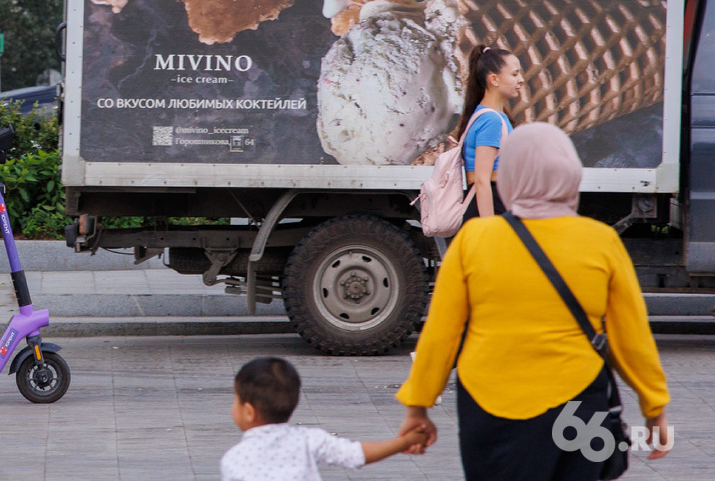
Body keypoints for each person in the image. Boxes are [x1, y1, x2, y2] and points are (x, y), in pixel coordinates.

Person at [396, 123, 672, 480]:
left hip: (488, 408)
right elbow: (630, 337)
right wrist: (655, 407)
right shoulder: (600, 242)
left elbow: (442, 334)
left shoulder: (474, 241)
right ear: (571, 175)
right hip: (578, 407)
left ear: (509, 178)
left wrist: (418, 406)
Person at [222, 357, 428, 481]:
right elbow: (356, 454)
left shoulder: (234, 459)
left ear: (249, 412)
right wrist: (404, 442)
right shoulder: (308, 439)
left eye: (235, 399)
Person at [456, 45, 521, 222]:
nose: (521, 80)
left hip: (494, 202)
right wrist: (488, 229)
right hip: (490, 204)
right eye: (514, 74)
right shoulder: (491, 120)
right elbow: (482, 180)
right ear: (494, 79)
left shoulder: (492, 116)